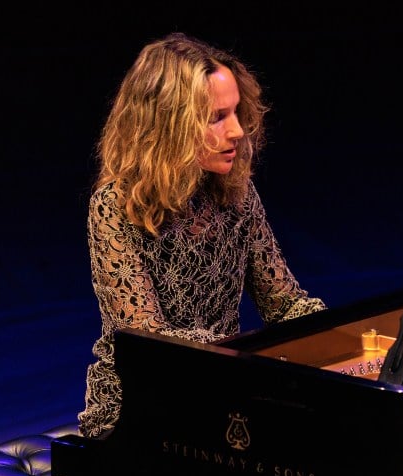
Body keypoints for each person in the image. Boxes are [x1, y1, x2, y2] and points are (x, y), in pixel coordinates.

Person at [78, 32, 326, 439]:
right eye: (216, 117)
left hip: (224, 387)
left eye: (235, 113)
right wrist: (246, 357)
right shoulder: (114, 206)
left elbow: (284, 304)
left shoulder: (238, 195)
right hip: (139, 408)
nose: (237, 132)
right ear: (168, 125)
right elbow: (146, 344)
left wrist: (341, 336)